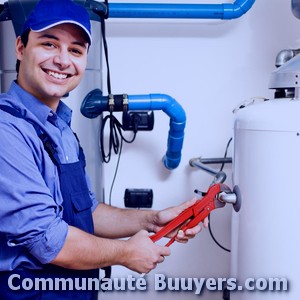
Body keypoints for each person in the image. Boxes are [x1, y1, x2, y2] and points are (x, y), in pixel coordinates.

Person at [0, 0, 207, 299]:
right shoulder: (7, 130)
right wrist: (125, 253)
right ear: (20, 48)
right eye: (49, 43)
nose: (62, 60)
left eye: (75, 50)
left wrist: (154, 219)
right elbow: (48, 240)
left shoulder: (61, 127)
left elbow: (88, 212)